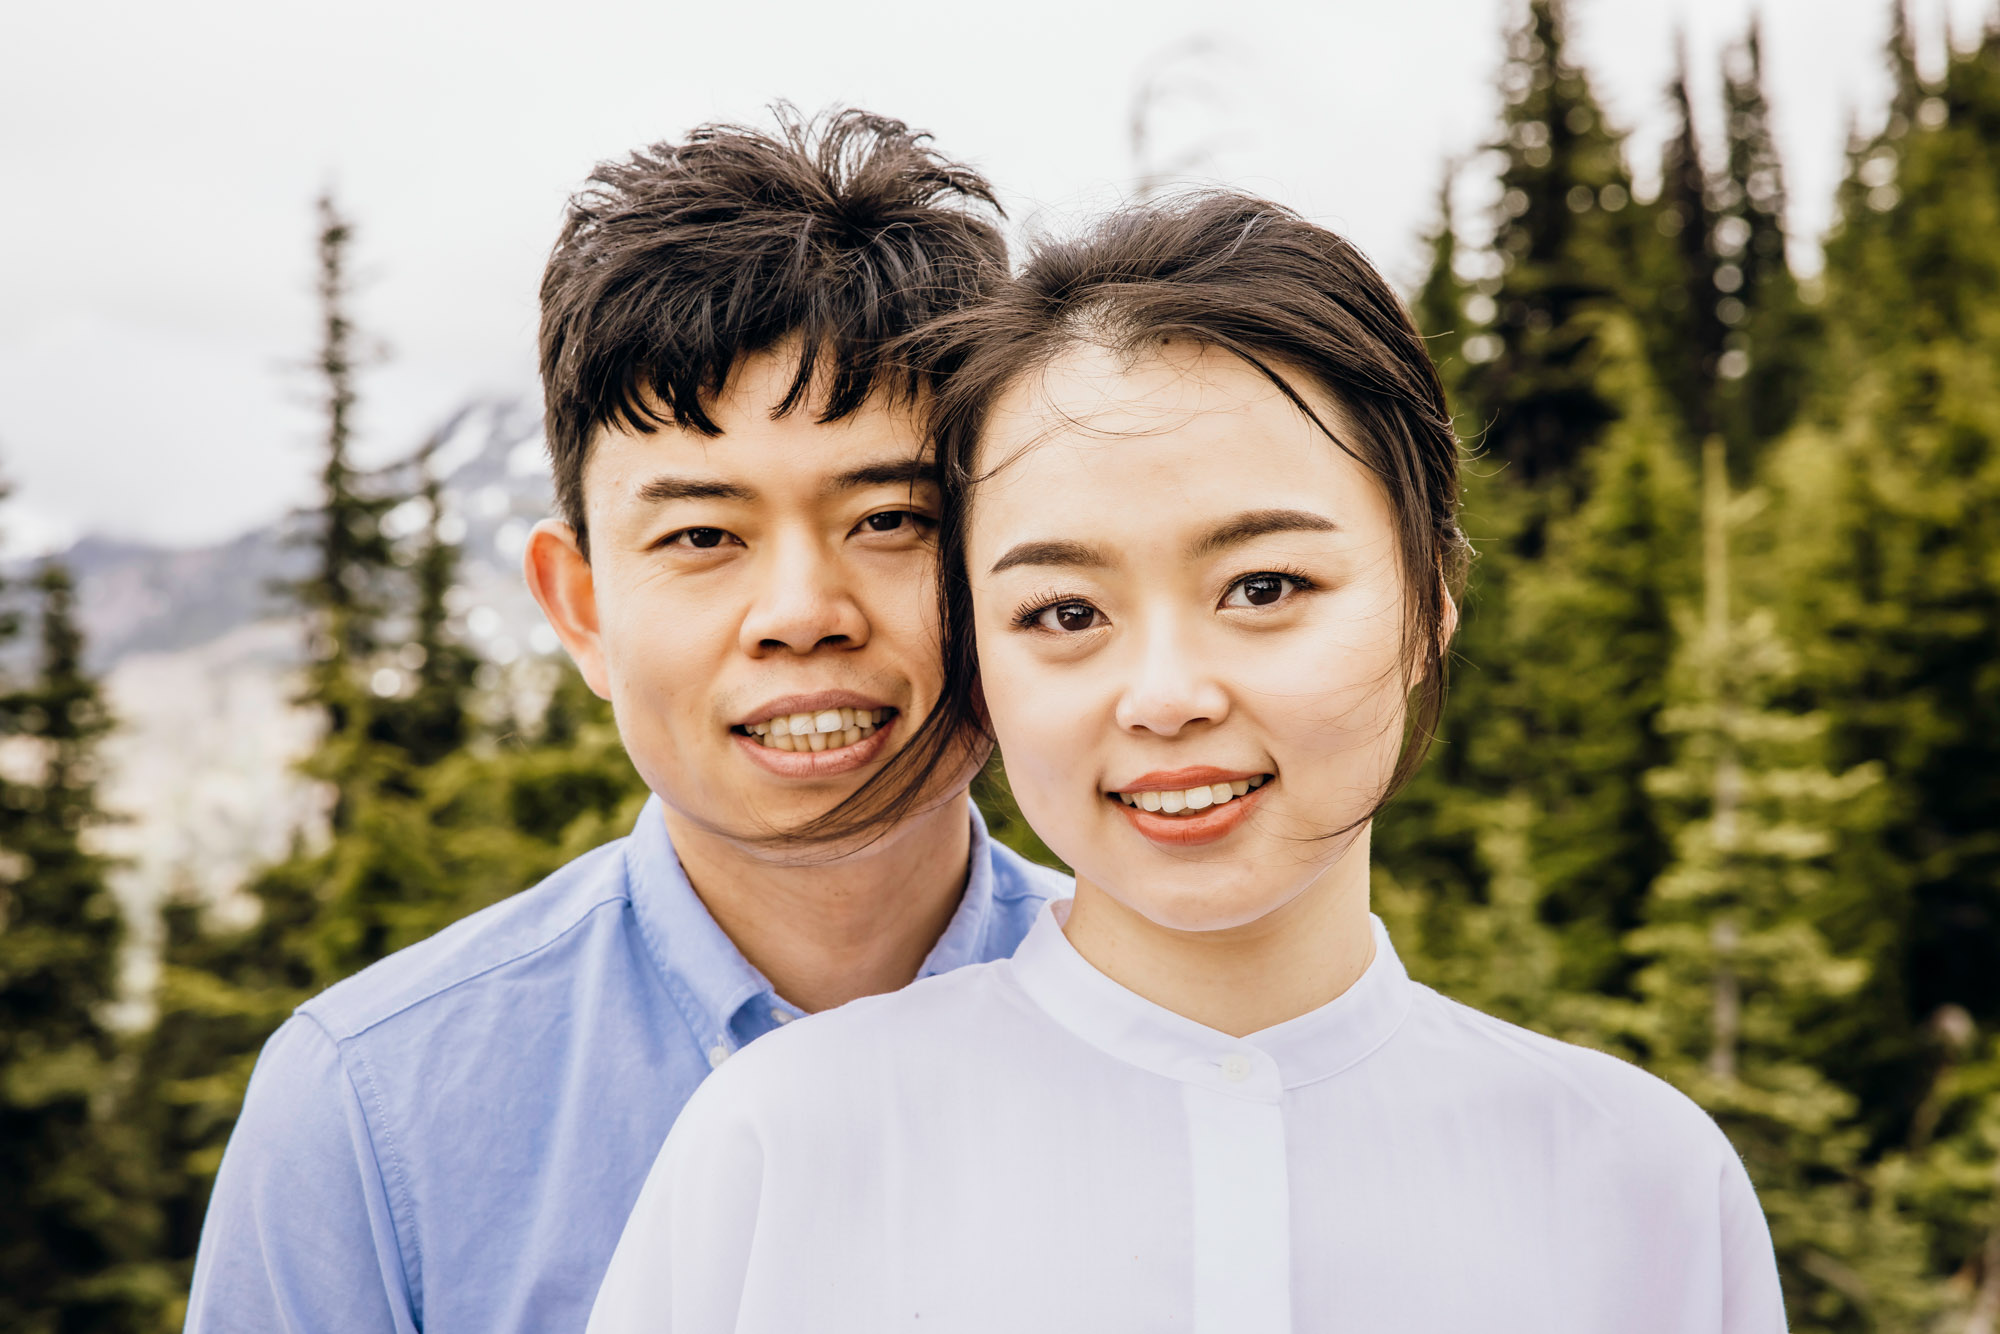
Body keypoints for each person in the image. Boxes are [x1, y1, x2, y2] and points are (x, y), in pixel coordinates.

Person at [588, 194, 1788, 1333]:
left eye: (1262, 587)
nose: (1163, 696)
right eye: (1063, 611)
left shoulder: (1635, 1177)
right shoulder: (778, 1146)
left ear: (1430, 595)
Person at [183, 109, 1070, 1334]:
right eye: (702, 535)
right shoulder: (371, 1109)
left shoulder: (1172, 1026)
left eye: (889, 519)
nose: (801, 613)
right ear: (581, 606)